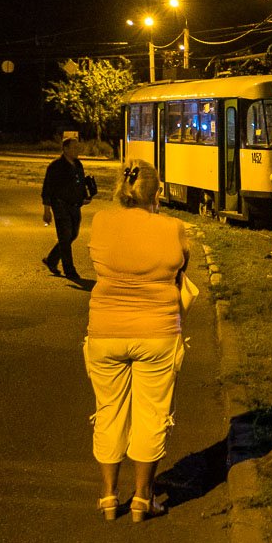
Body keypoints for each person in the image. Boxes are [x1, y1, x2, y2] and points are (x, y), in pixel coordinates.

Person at [84, 160, 190, 522]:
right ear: (157, 193)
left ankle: (108, 497)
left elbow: (97, 260)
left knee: (109, 411)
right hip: (157, 333)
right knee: (151, 413)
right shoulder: (173, 228)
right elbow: (182, 266)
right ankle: (143, 499)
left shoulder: (101, 221)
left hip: (105, 331)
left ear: (121, 190)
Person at [41, 137, 90, 281]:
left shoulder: (78, 164)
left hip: (75, 206)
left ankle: (52, 259)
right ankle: (69, 270)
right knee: (64, 237)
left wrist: (85, 196)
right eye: (74, 148)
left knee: (72, 235)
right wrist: (47, 210)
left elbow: (80, 183)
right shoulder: (56, 166)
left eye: (78, 147)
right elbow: (47, 188)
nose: (77, 150)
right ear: (65, 149)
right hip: (60, 206)